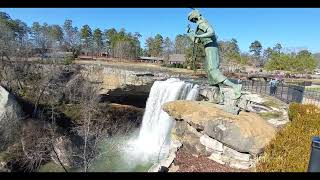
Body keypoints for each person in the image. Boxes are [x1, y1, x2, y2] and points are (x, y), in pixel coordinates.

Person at [186, 9, 242, 104]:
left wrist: (198, 36)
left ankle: (235, 86)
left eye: (194, 20)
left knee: (213, 70)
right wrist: (190, 33)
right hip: (207, 48)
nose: (194, 22)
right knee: (211, 75)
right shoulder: (199, 26)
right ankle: (220, 97)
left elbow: (211, 32)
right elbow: (197, 41)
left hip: (211, 48)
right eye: (193, 21)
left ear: (196, 17)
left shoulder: (202, 23)